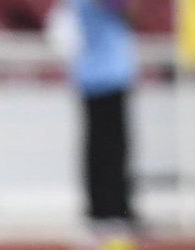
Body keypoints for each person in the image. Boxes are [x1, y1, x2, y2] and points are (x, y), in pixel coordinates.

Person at [66, 0, 138, 230]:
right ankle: (113, 208)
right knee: (112, 146)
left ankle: (101, 208)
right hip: (108, 75)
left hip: (91, 74)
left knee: (97, 145)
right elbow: (131, 13)